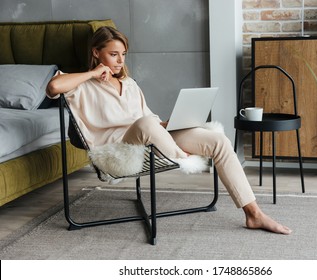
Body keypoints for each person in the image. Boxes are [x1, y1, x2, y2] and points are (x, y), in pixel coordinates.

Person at [46, 26, 292, 235]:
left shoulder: (129, 84)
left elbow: (149, 117)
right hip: (121, 148)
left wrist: (170, 124)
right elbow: (53, 87)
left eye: (123, 54)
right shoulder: (81, 84)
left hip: (151, 136)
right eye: (113, 54)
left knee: (217, 140)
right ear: (96, 52)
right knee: (145, 124)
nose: (120, 61)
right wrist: (92, 72)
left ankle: (253, 213)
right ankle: (180, 155)